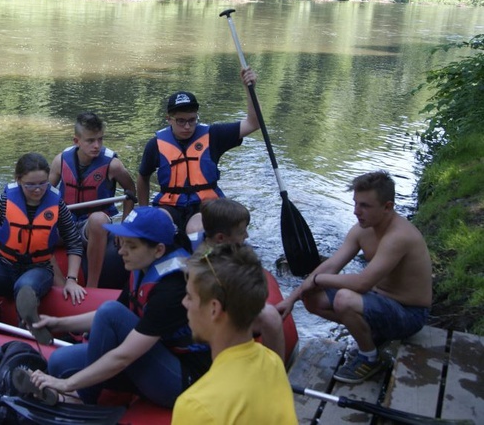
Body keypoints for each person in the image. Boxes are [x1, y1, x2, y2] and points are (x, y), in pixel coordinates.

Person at [27, 206, 211, 408]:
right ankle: (85, 390)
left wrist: (67, 384)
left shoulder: (172, 287)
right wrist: (58, 323)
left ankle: (82, 398)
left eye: (131, 246)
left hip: (185, 381)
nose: (121, 251)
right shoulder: (143, 265)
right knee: (60, 362)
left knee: (109, 312)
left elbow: (125, 355)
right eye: (122, 243)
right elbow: (118, 313)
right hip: (155, 353)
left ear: (158, 249)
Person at [277, 170, 432, 384]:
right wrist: (292, 298)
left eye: (365, 206)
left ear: (388, 207)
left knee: (343, 299)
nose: (356, 211)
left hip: (409, 314)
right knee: (311, 297)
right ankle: (372, 335)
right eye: (356, 203)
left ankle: (370, 359)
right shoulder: (362, 229)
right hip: (380, 300)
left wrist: (318, 280)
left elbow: (362, 282)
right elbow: (331, 265)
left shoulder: (399, 236)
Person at [0, 153, 86, 345]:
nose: (38, 190)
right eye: (30, 185)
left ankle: (27, 332)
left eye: (43, 183)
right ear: (18, 180)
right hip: (5, 267)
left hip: (39, 269)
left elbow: (73, 241)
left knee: (24, 289)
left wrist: (71, 279)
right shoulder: (3, 201)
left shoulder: (57, 205)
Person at [172, 243, 297, 424]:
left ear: (214, 309)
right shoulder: (272, 361)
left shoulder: (196, 405)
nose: (185, 303)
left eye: (190, 296)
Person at [136, 68, 260, 234]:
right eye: (180, 121)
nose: (187, 126)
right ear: (169, 119)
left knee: (195, 229)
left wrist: (249, 88)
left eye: (192, 120)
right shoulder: (155, 145)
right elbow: (143, 176)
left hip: (206, 206)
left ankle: (202, 255)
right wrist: (143, 210)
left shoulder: (214, 135)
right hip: (170, 205)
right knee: (157, 223)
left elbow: (253, 123)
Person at [189, 198, 286, 362]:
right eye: (242, 232)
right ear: (220, 238)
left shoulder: (203, 239)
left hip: (211, 308)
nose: (247, 235)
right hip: (214, 317)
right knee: (271, 317)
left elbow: (196, 218)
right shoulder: (214, 267)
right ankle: (277, 371)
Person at [49, 112, 136, 288]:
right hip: (66, 224)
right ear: (77, 141)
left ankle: (92, 287)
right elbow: (45, 196)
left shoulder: (113, 165)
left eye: (100, 139)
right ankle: (58, 284)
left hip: (92, 226)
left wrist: (124, 224)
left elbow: (130, 191)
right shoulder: (60, 161)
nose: (96, 145)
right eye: (90, 141)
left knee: (97, 219)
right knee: (41, 223)